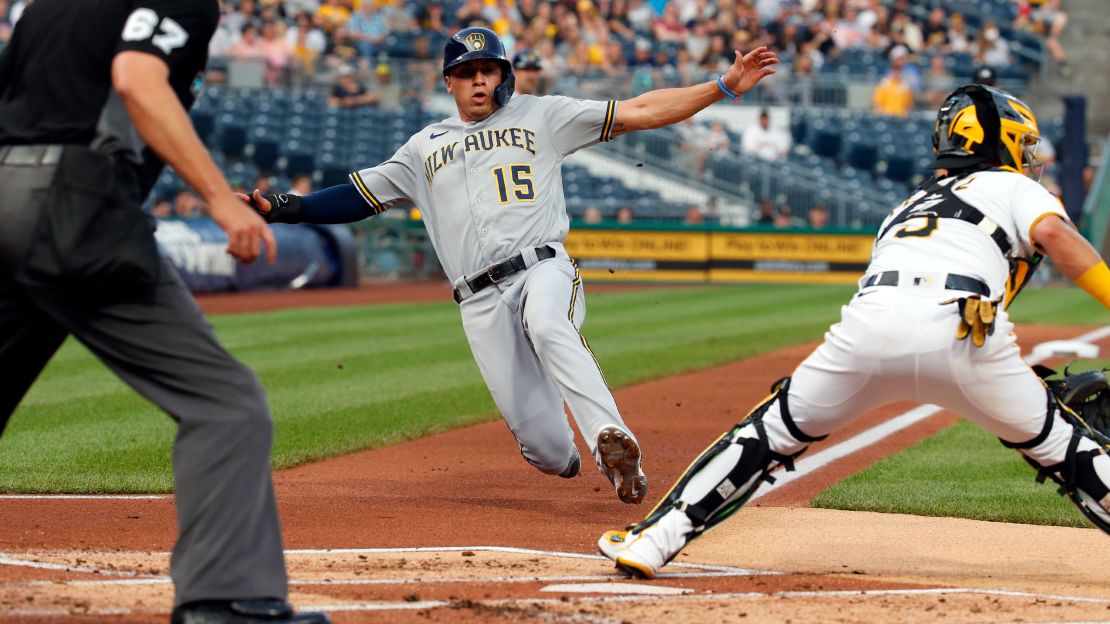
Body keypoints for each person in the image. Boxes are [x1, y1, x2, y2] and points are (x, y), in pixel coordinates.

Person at [242, 26, 778, 505]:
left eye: (488, 69)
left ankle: (610, 442)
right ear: (448, 82)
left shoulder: (543, 115)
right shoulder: (423, 147)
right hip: (476, 300)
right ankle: (566, 455)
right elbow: (359, 195)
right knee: (546, 452)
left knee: (549, 324)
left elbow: (639, 110)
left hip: (541, 265)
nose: (478, 80)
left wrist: (722, 88)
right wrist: (288, 209)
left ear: (505, 75)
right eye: (466, 72)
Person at [597, 84, 1110, 578]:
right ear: (994, 140)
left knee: (767, 435)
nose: (1028, 154)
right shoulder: (1014, 185)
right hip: (964, 329)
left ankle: (654, 540)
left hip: (870, 324)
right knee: (1068, 450)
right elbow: (1052, 234)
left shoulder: (905, 208)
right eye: (1022, 143)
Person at [0, 1, 329, 623]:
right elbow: (136, 76)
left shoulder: (46, 7)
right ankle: (225, 599)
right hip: (75, 208)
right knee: (225, 403)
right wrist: (218, 198)